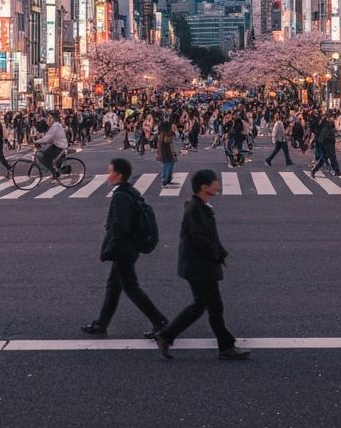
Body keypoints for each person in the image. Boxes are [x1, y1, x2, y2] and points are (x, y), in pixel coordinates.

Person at [155, 168, 250, 360]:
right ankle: (225, 346)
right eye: (215, 182)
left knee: (202, 305)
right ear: (205, 187)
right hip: (199, 266)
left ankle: (167, 335)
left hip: (197, 265)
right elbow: (201, 239)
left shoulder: (199, 206)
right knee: (213, 307)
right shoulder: (196, 209)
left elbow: (209, 237)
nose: (219, 185)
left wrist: (220, 253)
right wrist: (217, 254)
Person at [81, 157, 168, 339]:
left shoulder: (120, 196)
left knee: (131, 288)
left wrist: (108, 250)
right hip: (129, 248)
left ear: (119, 175)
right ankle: (102, 323)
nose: (108, 175)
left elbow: (121, 227)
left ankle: (159, 321)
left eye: (111, 171)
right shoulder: (130, 191)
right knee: (113, 287)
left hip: (123, 250)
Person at [35, 111, 69, 179]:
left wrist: (36, 142)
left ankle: (54, 172)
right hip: (58, 144)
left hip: (59, 146)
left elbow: (47, 138)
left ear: (52, 119)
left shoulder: (55, 126)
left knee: (44, 157)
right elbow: (47, 137)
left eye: (49, 119)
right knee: (46, 153)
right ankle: (54, 169)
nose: (48, 121)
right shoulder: (55, 125)